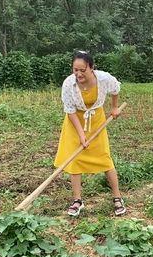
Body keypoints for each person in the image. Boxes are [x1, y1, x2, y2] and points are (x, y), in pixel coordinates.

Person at [54, 50, 126, 217]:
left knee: (104, 158)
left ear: (92, 68)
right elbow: (70, 111)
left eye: (82, 70)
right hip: (75, 123)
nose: (78, 74)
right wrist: (81, 135)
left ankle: (117, 197)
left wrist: (114, 108)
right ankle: (77, 200)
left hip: (96, 122)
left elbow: (115, 89)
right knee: (75, 160)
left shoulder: (103, 79)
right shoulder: (68, 84)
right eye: (75, 70)